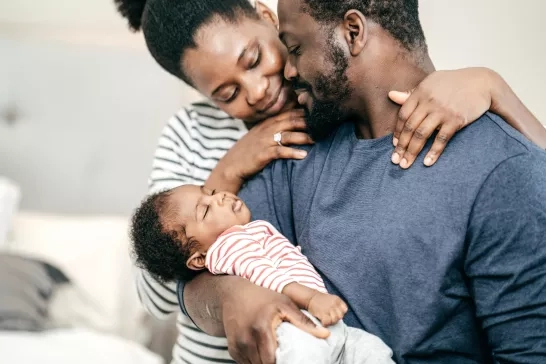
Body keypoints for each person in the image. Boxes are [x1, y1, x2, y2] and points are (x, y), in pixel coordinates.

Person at [113, 0, 546, 363]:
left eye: (289, 50)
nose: (275, 80)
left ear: (352, 31)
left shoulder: (496, 165)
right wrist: (231, 289)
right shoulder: (286, 146)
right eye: (226, 93)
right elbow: (178, 276)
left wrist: (493, 85)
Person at [130, 184, 395, 363]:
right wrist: (312, 298)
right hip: (292, 328)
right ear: (199, 259)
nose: (219, 196)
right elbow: (267, 279)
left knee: (374, 352)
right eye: (206, 209)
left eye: (209, 191)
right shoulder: (227, 248)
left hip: (324, 326)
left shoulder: (248, 232)